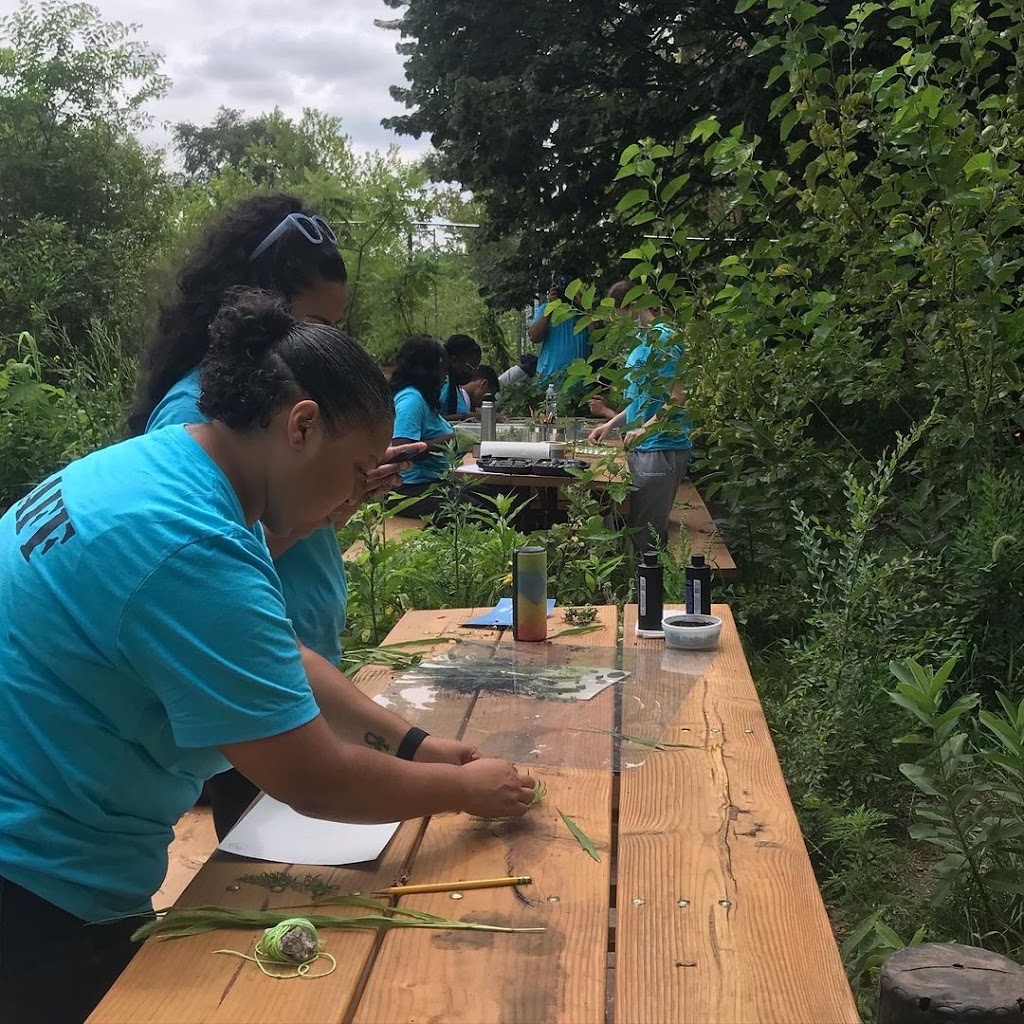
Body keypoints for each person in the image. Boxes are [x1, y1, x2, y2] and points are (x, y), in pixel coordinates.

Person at [0, 289, 536, 1024]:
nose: (358, 498)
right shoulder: (190, 544)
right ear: (302, 426)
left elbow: (271, 653)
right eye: (357, 470)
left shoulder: (175, 469)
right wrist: (467, 794)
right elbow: (314, 779)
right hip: (34, 878)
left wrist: (419, 745)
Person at [131, 192, 423, 841]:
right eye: (311, 320)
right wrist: (446, 776)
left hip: (292, 676)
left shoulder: (278, 415)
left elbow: (266, 553)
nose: (323, 342)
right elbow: (215, 565)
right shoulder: (205, 416)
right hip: (250, 699)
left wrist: (336, 499)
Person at [589, 280, 692, 552]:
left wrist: (644, 429)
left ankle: (650, 590)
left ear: (632, 305)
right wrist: (612, 423)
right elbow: (641, 402)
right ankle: (640, 587)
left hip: (661, 447)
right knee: (636, 528)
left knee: (648, 536)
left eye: (618, 313)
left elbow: (678, 397)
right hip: (642, 446)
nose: (616, 321)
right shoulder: (642, 343)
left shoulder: (666, 337)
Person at [391, 334, 460, 517]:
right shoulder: (411, 401)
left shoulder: (424, 398)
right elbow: (401, 450)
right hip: (410, 490)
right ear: (429, 370)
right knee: (478, 509)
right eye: (443, 369)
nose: (445, 377)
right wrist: (453, 440)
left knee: (485, 495)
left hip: (432, 483)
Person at [527, 267, 592, 380]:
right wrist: (551, 308)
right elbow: (534, 337)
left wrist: (585, 305)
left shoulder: (585, 313)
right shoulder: (545, 310)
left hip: (580, 381)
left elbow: (597, 336)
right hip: (549, 380)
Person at [439, 333, 482, 420]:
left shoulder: (454, 386)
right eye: (470, 367)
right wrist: (466, 417)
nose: (473, 373)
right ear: (454, 360)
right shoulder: (444, 384)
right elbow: (432, 420)